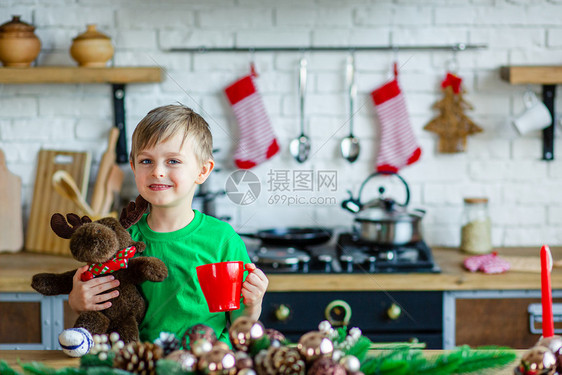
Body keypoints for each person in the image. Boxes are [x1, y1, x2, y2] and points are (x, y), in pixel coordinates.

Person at [65, 104, 269, 350]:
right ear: (133, 166)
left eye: (173, 161)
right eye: (146, 160)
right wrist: (77, 301)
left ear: (203, 170)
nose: (158, 172)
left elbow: (238, 326)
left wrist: (252, 303)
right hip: (138, 363)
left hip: (205, 363)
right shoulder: (120, 241)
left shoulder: (223, 241)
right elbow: (94, 319)